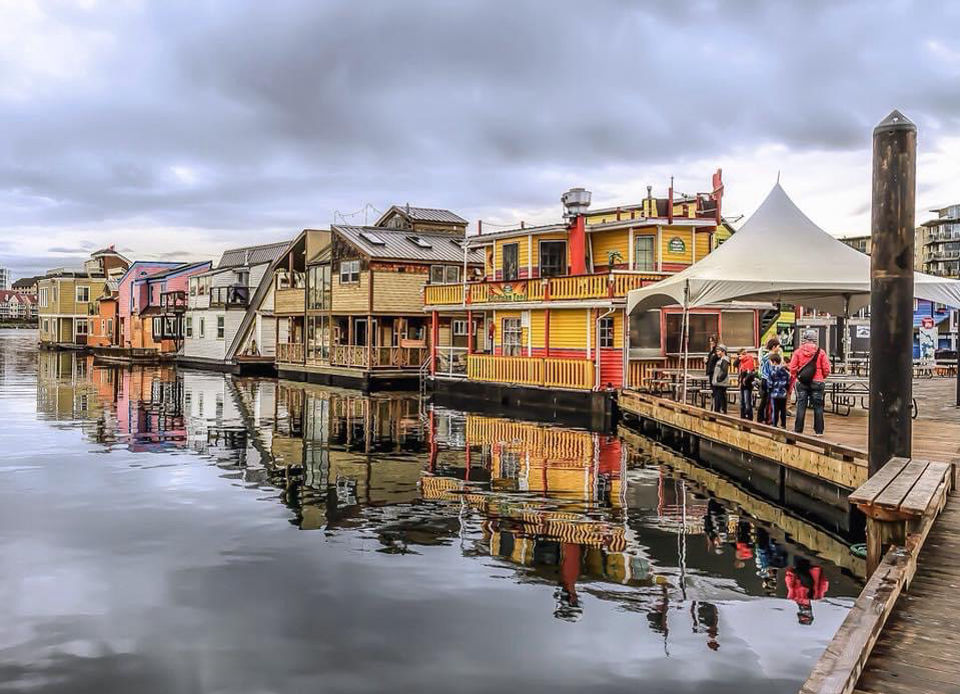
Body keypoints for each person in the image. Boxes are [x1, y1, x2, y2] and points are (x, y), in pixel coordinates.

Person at [789, 329, 831, 436]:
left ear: (804, 339)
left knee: (801, 405)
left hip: (802, 382)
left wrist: (798, 376)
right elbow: (827, 369)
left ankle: (798, 429)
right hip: (817, 381)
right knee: (818, 406)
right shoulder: (821, 352)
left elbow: (792, 368)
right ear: (815, 339)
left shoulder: (798, 352)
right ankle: (819, 431)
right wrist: (821, 377)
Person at [756, 337, 781, 424]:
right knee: (769, 400)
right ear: (774, 347)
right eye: (778, 346)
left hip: (763, 379)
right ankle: (767, 418)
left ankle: (761, 417)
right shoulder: (772, 357)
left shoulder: (765, 356)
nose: (779, 348)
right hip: (768, 380)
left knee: (764, 399)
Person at [768, 352, 790, 428]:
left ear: (773, 362)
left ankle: (775, 424)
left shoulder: (772, 371)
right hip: (783, 394)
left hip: (774, 394)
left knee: (775, 410)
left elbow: (770, 383)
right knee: (783, 410)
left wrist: (769, 389)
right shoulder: (785, 371)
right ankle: (783, 424)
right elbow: (788, 382)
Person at [734, 348, 757, 420]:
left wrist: (745, 380)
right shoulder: (741, 362)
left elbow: (750, 373)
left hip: (747, 384)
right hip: (742, 384)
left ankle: (749, 417)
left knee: (747, 402)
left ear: (744, 354)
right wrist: (739, 359)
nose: (739, 357)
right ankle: (742, 417)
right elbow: (734, 364)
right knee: (742, 402)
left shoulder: (749, 360)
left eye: (740, 355)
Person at [711, 344, 730, 413]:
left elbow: (724, 371)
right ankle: (718, 411)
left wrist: (719, 378)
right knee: (718, 398)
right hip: (718, 383)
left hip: (720, 383)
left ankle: (720, 411)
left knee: (720, 399)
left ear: (723, 351)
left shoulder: (724, 359)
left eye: (718, 351)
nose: (717, 353)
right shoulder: (720, 359)